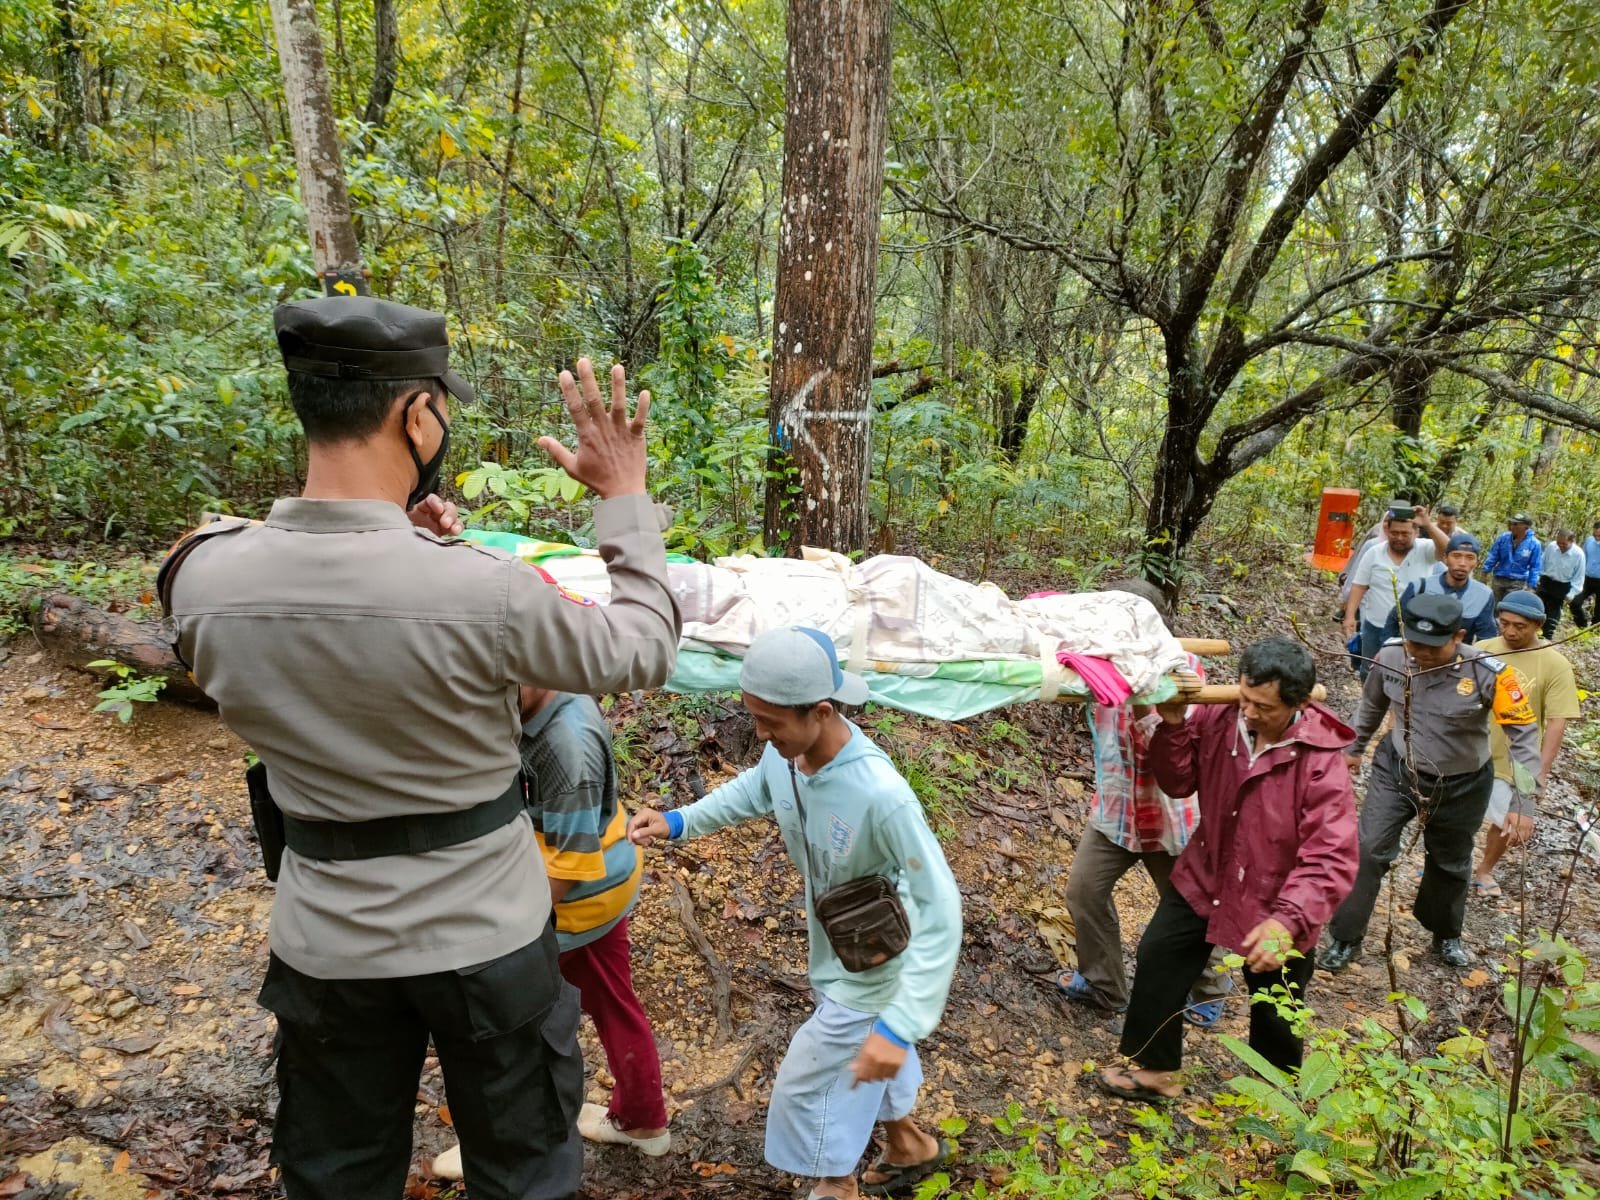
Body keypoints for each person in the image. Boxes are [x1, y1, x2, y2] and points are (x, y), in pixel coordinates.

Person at [160, 296, 682, 1200]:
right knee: (523, 1170)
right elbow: (641, 647)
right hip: (489, 935)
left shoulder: (198, 574)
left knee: (339, 1176)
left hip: (325, 942)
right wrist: (626, 500)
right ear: (415, 413)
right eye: (441, 404)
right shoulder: (488, 591)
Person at [628, 627, 962, 1200]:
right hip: (837, 945)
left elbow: (942, 907)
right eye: (754, 718)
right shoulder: (786, 755)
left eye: (771, 722)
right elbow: (754, 792)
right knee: (863, 1056)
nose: (759, 733)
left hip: (879, 968)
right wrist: (678, 820)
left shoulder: (881, 796)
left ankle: (835, 1182)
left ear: (823, 710)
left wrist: (901, 1023)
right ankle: (908, 1144)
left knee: (808, 1086)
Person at [1095, 637, 1357, 1102]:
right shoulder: (1221, 718)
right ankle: (1157, 1072)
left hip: (1278, 895)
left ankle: (1277, 1098)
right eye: (1245, 699)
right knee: (1160, 957)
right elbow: (1177, 783)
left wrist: (1288, 920)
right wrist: (1173, 726)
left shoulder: (1319, 761)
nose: (1251, 714)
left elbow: (1330, 856)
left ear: (1297, 704)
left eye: (1264, 707)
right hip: (1208, 872)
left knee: (1277, 1000)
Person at [433, 688, 670, 1182]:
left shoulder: (567, 743)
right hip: (592, 880)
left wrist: (502, 928)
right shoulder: (537, 704)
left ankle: (500, 1144)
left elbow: (569, 864)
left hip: (578, 902)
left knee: (512, 1018)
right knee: (611, 1002)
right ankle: (643, 1120)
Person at [1319, 593, 1541, 972]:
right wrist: (1353, 748)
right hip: (1397, 769)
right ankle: (1345, 937)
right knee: (1369, 849)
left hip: (1463, 782)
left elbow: (1523, 739)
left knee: (1450, 861)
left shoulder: (1491, 674)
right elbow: (1371, 704)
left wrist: (1523, 802)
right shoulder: (1390, 657)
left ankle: (1445, 933)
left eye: (1432, 646)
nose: (1420, 653)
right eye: (1414, 643)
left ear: (1458, 636)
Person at [1058, 580, 1232, 1027]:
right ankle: (1104, 984)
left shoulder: (1185, 671)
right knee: (1084, 892)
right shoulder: (1096, 665)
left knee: (1190, 904)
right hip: (1116, 813)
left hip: (1172, 819)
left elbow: (1174, 759)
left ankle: (1209, 988)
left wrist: (1145, 701)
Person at [1471, 592, 1580, 898]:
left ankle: (1485, 869)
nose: (1509, 632)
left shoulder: (1555, 664)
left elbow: (1557, 722)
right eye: (1503, 623)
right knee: (1454, 811)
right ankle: (1446, 862)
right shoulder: (1481, 650)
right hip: (1472, 749)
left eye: (1519, 626)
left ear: (1538, 625)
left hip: (1516, 758)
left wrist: (1537, 776)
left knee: (1507, 820)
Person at [1343, 503, 1449, 679]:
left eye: (1405, 533)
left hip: (1411, 628)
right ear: (1386, 530)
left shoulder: (1425, 550)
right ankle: (1370, 704)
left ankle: (1397, 705)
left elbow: (1449, 549)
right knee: (1368, 668)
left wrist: (1428, 524)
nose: (1399, 538)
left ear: (1416, 532)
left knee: (1404, 672)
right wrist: (1349, 616)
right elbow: (1360, 585)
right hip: (1375, 624)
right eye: (1394, 533)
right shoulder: (1374, 553)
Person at [1380, 533, 1496, 645]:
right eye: (1456, 556)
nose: (1462, 563)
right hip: (1418, 656)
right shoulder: (1420, 587)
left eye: (1470, 558)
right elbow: (1394, 620)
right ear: (1445, 558)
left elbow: (1486, 637)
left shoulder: (1483, 595)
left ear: (1477, 562)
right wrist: (1390, 650)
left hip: (1457, 659)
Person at [1535, 529, 1585, 639]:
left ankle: (1546, 638)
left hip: (1561, 586)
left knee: (1553, 614)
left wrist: (1571, 593)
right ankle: (1533, 634)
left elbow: (1579, 577)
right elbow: (1542, 562)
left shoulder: (1578, 554)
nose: (1561, 545)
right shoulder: (1552, 547)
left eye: (1564, 544)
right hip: (1546, 581)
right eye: (1559, 542)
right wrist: (1537, 577)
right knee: (1537, 608)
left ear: (1572, 542)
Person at [1482, 514, 1542, 603]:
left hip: (1518, 582)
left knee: (1508, 607)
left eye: (1516, 524)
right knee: (1493, 605)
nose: (1512, 526)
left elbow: (1535, 567)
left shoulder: (1534, 544)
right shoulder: (1504, 538)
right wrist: (1485, 572)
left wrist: (1531, 586)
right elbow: (1493, 555)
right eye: (1512, 523)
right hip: (1499, 578)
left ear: (1525, 527)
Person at [1572, 521, 1600, 628]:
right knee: (1575, 602)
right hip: (1586, 578)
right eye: (1595, 535)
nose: (1596, 538)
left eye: (1599, 536)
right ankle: (1582, 626)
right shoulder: (1589, 541)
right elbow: (1583, 558)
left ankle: (1593, 631)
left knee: (1599, 611)